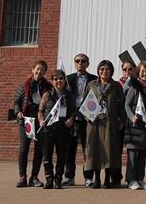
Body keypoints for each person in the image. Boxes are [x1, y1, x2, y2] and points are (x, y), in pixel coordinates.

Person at [84, 60, 126, 189]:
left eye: (107, 69)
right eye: (101, 69)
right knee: (96, 150)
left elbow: (122, 105)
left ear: (111, 71)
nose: (104, 71)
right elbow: (85, 104)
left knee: (109, 150)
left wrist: (122, 121)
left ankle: (108, 178)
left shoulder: (116, 86)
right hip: (95, 123)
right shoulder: (92, 85)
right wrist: (88, 118)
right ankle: (97, 179)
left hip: (110, 123)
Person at [13, 59, 51, 188]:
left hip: (40, 120)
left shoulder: (48, 86)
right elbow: (17, 102)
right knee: (24, 149)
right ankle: (22, 176)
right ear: (33, 70)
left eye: (42, 70)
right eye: (38, 69)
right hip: (26, 120)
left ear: (45, 72)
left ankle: (34, 177)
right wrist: (18, 112)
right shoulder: (24, 85)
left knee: (39, 150)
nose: (39, 72)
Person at [37, 69, 76, 189]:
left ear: (65, 80)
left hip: (62, 130)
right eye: (55, 79)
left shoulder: (69, 95)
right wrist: (41, 120)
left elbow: (73, 111)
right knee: (47, 156)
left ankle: (58, 179)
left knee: (61, 156)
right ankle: (49, 179)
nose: (58, 81)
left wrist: (71, 119)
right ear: (52, 81)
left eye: (61, 78)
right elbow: (41, 111)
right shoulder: (47, 95)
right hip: (48, 129)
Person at [64, 53, 97, 187]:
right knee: (69, 148)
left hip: (87, 118)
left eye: (83, 61)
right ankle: (69, 176)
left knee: (87, 148)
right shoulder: (67, 80)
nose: (80, 63)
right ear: (74, 63)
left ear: (87, 64)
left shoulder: (94, 79)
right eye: (77, 61)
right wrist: (67, 92)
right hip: (71, 118)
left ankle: (88, 177)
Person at [124, 61, 146, 190]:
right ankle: (131, 180)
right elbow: (127, 105)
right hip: (134, 125)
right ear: (138, 72)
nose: (145, 73)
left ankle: (140, 179)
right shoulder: (134, 87)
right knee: (132, 154)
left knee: (142, 154)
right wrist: (132, 116)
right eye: (142, 71)